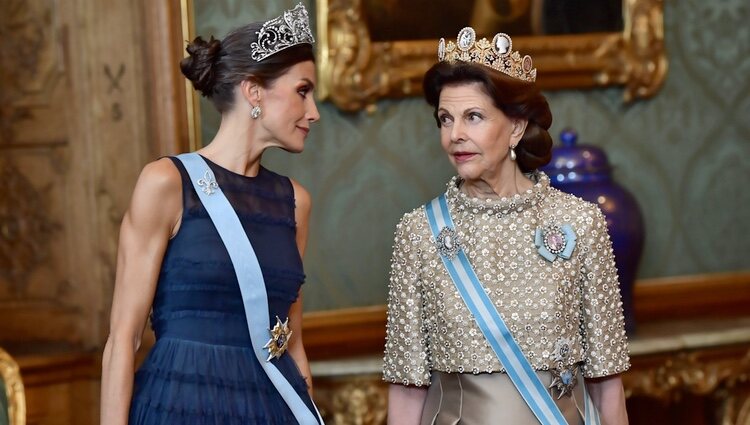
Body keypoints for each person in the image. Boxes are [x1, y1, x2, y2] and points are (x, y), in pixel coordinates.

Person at [383, 27, 630, 425]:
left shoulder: (581, 224)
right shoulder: (419, 235)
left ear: (516, 126)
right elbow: (406, 387)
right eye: (445, 119)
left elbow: (607, 382)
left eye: (473, 117)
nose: (455, 136)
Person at [100, 4, 323, 424]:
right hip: (179, 406)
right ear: (254, 90)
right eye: (302, 90)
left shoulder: (295, 201)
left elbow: (291, 343)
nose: (313, 111)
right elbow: (123, 338)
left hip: (269, 408)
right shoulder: (165, 182)